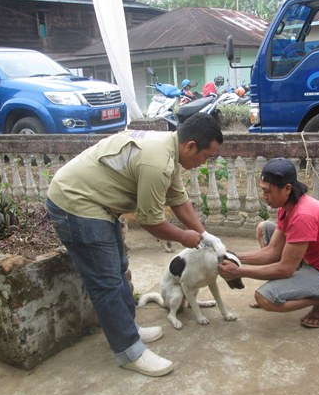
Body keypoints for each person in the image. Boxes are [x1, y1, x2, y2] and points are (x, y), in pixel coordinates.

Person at [46, 113, 225, 377]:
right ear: (190, 146)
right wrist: (183, 237)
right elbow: (150, 222)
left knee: (118, 268)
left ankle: (129, 329)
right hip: (76, 204)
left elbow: (178, 201)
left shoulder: (170, 150)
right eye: (205, 156)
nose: (202, 163)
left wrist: (204, 234)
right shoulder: (157, 163)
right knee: (106, 282)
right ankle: (129, 351)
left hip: (98, 205)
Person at [217, 158, 319, 328]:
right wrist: (232, 256)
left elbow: (285, 269)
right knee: (264, 227)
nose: (264, 196)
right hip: (309, 260)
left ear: (287, 188)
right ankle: (286, 290)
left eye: (268, 191)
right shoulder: (287, 205)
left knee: (265, 299)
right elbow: (272, 252)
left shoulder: (303, 215)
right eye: (263, 190)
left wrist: (239, 271)